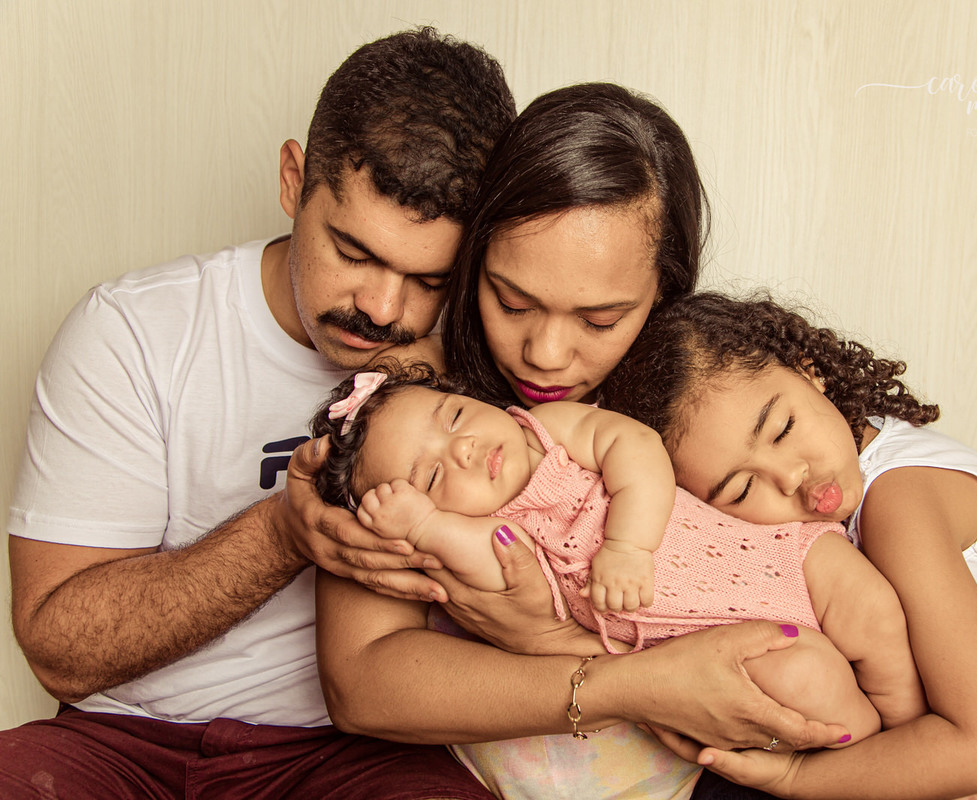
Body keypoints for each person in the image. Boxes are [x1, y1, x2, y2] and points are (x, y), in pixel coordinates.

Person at [3, 28, 518, 799]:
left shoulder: (482, 357)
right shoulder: (134, 330)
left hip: (349, 755)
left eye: (427, 278)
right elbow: (57, 649)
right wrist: (282, 534)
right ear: (292, 179)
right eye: (353, 251)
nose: (382, 308)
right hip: (119, 740)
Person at [313, 84, 852, 800]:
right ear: (475, 262)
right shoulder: (417, 407)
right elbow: (365, 687)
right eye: (511, 300)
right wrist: (629, 680)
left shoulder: (693, 402)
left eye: (599, 319)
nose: (544, 353)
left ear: (665, 290)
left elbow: (811, 554)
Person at [600, 291, 977, 799]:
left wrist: (797, 779)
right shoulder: (840, 485)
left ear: (808, 371)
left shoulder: (899, 503)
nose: (790, 476)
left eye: (782, 429)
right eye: (743, 488)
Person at [311, 364, 924, 732]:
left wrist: (629, 544)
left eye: (454, 418)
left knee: (870, 606)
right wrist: (421, 526)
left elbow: (636, 448)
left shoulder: (548, 428)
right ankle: (875, 749)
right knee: (806, 685)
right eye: (432, 477)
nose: (465, 448)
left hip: (770, 555)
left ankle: (910, 721)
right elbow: (481, 559)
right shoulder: (490, 533)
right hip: (713, 645)